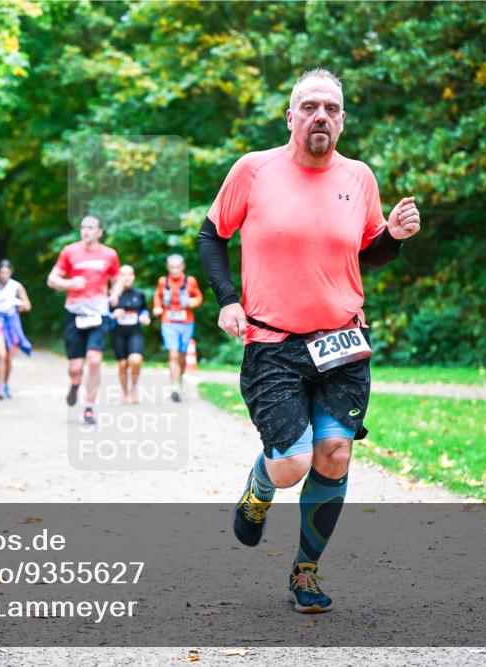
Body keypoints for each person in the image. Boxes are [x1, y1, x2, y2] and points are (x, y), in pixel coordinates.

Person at [197, 68, 421, 614]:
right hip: (273, 343)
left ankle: (305, 570)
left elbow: (366, 253)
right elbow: (211, 235)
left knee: (334, 454)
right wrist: (228, 299)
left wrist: (393, 236)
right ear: (290, 115)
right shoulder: (253, 171)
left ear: (342, 120)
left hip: (342, 343)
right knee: (293, 462)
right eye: (310, 106)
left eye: (332, 109)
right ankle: (260, 483)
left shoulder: (361, 177)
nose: (321, 116)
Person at [47, 215, 123, 425]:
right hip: (75, 313)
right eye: (83, 227)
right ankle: (74, 383)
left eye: (90, 228)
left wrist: (115, 293)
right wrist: (70, 284)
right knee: (75, 367)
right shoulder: (69, 251)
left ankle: (89, 406)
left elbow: (117, 279)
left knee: (95, 361)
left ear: (99, 232)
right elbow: (52, 280)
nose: (86, 231)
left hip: (98, 313)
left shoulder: (109, 254)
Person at [152, 254, 203, 402]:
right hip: (169, 322)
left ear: (183, 267)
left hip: (186, 322)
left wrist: (194, 301)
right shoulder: (163, 281)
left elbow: (199, 297)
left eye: (177, 267)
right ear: (168, 267)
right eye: (171, 267)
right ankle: (174, 386)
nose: (174, 270)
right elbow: (157, 295)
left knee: (182, 356)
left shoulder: (190, 281)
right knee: (173, 354)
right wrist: (157, 307)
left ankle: (178, 382)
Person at [0, 260, 32, 400]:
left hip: (12, 322)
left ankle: (5, 383)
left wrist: (21, 305)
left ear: (11, 272)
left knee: (9, 358)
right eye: (1, 272)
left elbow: (28, 304)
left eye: (6, 272)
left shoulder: (16, 286)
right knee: (1, 354)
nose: (4, 275)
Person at [110, 265, 151, 404]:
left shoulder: (139, 294)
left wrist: (145, 317)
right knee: (122, 365)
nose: (126, 277)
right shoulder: (113, 296)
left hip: (135, 332)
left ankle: (134, 387)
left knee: (135, 360)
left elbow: (144, 310)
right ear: (118, 277)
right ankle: (125, 392)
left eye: (129, 274)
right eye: (123, 274)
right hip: (118, 333)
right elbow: (104, 314)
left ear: (133, 277)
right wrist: (113, 315)